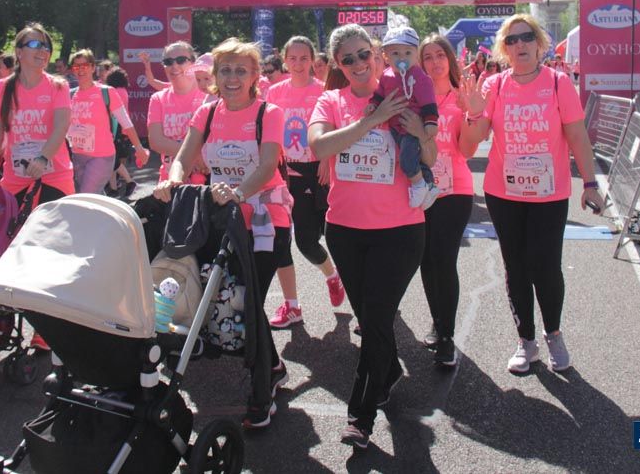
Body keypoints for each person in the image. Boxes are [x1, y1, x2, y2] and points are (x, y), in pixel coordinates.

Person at [308, 24, 436, 449]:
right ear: (337, 66)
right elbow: (320, 147)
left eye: (365, 54)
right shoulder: (331, 100)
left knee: (377, 317)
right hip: (345, 231)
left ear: (378, 53)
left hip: (400, 231)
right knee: (372, 320)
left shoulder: (403, 89)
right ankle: (389, 372)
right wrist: (374, 120)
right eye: (349, 59)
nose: (360, 64)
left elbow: (433, 154)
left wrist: (418, 130)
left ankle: (359, 417)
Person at [153, 37, 289, 430]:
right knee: (244, 302)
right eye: (225, 70)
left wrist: (239, 192)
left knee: (251, 303)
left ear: (254, 76)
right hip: (221, 221)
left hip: (264, 220)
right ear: (214, 76)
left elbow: (266, 166)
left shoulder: (269, 112)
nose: (232, 77)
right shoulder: (207, 112)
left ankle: (262, 395)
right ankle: (274, 365)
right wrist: (172, 181)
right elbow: (183, 156)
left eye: (240, 70)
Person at [461, 14, 604, 374]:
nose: (520, 45)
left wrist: (590, 184)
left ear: (539, 43)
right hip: (503, 194)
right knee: (516, 267)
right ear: (504, 49)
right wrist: (473, 114)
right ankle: (526, 341)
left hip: (548, 195)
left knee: (545, 266)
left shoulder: (558, 84)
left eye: (526, 38)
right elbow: (472, 143)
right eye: (512, 40)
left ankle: (553, 333)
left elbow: (577, 137)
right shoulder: (493, 85)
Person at [264, 36, 346, 329]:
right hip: (288, 175)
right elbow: (269, 133)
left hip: (322, 171)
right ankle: (309, 294)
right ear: (284, 60)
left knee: (327, 238)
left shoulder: (323, 90)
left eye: (303, 58)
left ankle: (343, 281)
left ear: (313, 60)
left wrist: (326, 157)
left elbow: (335, 127)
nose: (298, 64)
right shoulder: (274, 93)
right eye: (292, 58)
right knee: (296, 242)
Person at [417, 34, 481, 367]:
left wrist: (471, 114)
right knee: (426, 261)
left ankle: (447, 336)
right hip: (419, 191)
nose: (434, 62)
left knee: (444, 260)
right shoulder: (414, 97)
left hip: (454, 191)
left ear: (450, 59)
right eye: (427, 57)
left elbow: (468, 150)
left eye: (440, 55)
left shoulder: (462, 97)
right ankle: (437, 321)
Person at [0, 23, 74, 207]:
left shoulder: (58, 86)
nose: (43, 50)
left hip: (54, 176)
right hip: (16, 179)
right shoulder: (3, 88)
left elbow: (61, 127)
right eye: (36, 44)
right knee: (14, 234)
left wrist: (43, 158)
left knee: (51, 235)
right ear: (19, 52)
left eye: (46, 46)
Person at [371, 26, 440, 209]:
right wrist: (373, 104)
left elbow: (429, 102)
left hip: (411, 127)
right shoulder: (386, 76)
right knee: (411, 156)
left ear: (416, 55)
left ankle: (418, 185)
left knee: (407, 161)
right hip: (395, 127)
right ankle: (430, 184)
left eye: (407, 53)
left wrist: (430, 122)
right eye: (395, 53)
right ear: (386, 56)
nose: (402, 58)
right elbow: (379, 94)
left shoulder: (419, 77)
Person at [68, 49, 148, 194]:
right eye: (76, 67)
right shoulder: (70, 94)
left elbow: (126, 122)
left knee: (87, 195)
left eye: (84, 66)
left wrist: (139, 148)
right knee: (93, 196)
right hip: (78, 156)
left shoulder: (106, 92)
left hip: (102, 156)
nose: (80, 70)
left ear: (93, 68)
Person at [147, 41, 207, 187]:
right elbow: (156, 142)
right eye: (168, 62)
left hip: (205, 178)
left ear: (193, 63)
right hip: (171, 182)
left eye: (181, 60)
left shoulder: (207, 94)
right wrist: (195, 156)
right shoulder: (158, 99)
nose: (174, 66)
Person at [104, 66, 137, 197]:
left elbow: (113, 112)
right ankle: (113, 188)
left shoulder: (115, 92)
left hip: (116, 128)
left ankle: (129, 181)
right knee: (112, 158)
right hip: (121, 129)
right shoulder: (123, 91)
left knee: (113, 159)